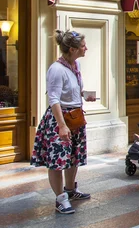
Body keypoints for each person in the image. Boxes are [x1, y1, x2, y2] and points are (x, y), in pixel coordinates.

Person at [31, 30, 96, 214]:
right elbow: (54, 99)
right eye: (83, 46)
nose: (86, 48)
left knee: (74, 156)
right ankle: (60, 199)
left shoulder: (76, 66)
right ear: (72, 49)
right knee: (57, 161)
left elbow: (70, 91)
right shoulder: (56, 69)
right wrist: (61, 126)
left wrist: (84, 96)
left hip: (75, 117)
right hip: (60, 119)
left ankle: (70, 190)